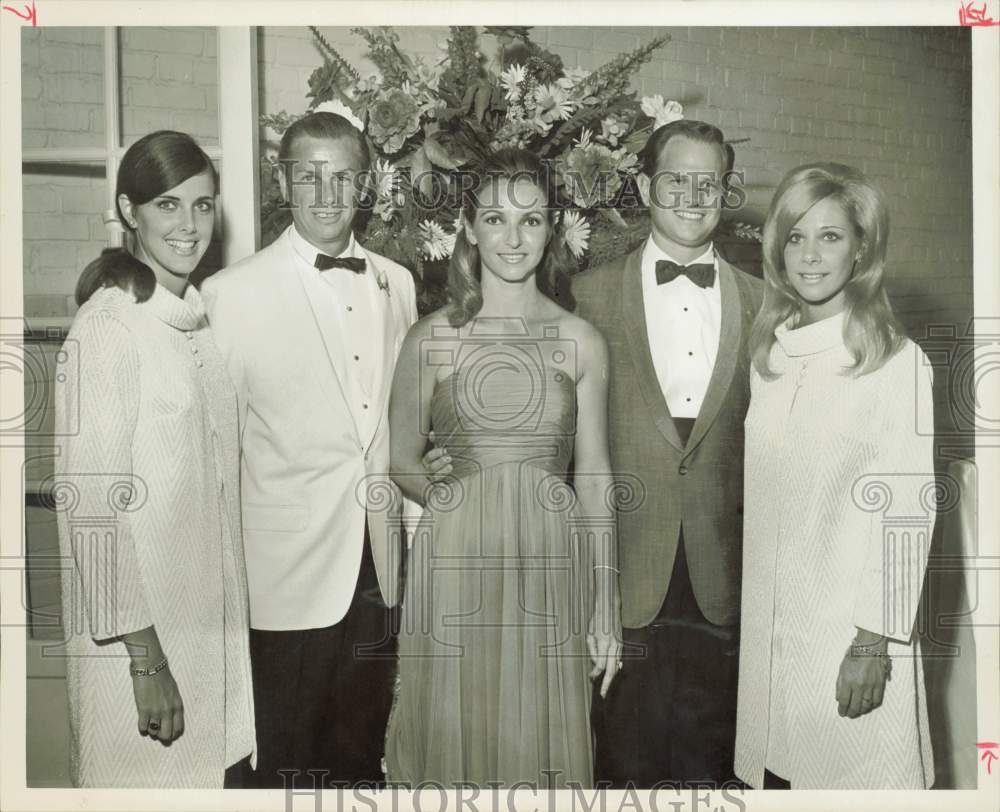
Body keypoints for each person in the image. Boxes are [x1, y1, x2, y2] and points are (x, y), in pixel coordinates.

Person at [383, 148, 621, 788]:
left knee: (535, 741)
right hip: (456, 562)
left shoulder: (583, 341)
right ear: (467, 227)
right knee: (455, 736)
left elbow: (595, 477)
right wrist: (440, 483)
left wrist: (605, 601)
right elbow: (399, 462)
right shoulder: (429, 338)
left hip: (549, 562)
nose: (513, 238)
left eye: (532, 220)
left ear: (552, 227)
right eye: (494, 219)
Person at [200, 111, 418, 788]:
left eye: (344, 176)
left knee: (359, 762)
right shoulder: (228, 295)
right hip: (281, 581)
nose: (327, 194)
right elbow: (215, 460)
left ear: (368, 184)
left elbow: (398, 428)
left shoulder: (398, 282)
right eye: (309, 176)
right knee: (284, 768)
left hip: (377, 569)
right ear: (283, 181)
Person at [53, 130, 255, 788]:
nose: (189, 225)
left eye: (203, 205)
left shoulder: (186, 319)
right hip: (141, 660)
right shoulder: (110, 329)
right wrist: (147, 663)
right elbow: (92, 512)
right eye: (168, 205)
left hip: (198, 644)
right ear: (129, 210)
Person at [572, 118, 763, 789]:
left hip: (723, 578)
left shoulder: (763, 302)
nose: (691, 194)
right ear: (646, 186)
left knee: (712, 766)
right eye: (676, 178)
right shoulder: (586, 294)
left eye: (707, 182)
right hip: (622, 573)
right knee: (624, 762)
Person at [734, 162, 936, 789]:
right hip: (773, 640)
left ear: (862, 248)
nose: (810, 255)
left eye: (830, 236)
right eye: (795, 237)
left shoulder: (893, 360)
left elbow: (909, 510)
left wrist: (873, 644)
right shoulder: (770, 353)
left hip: (850, 637)